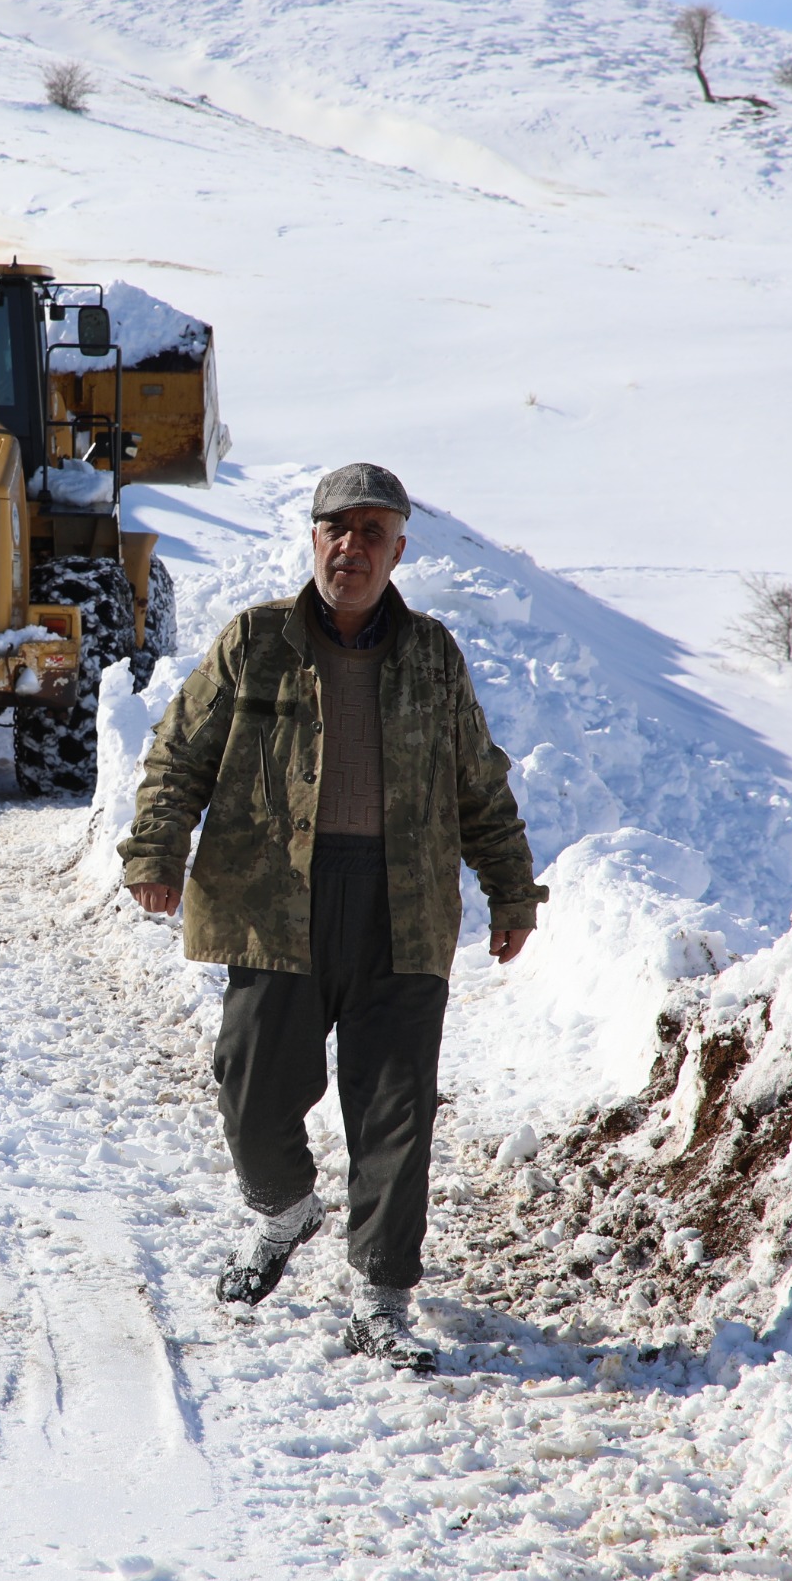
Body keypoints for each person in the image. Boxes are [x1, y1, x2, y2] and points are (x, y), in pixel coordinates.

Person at [119, 463, 544, 1372]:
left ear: (398, 550)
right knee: (252, 1087)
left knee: (395, 1113)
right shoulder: (256, 641)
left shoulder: (433, 655)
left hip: (402, 908)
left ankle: (382, 1298)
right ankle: (282, 1208)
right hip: (275, 904)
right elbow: (178, 755)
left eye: (371, 533)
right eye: (334, 529)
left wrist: (511, 889)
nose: (350, 547)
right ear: (313, 537)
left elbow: (479, 781)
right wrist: (155, 852)